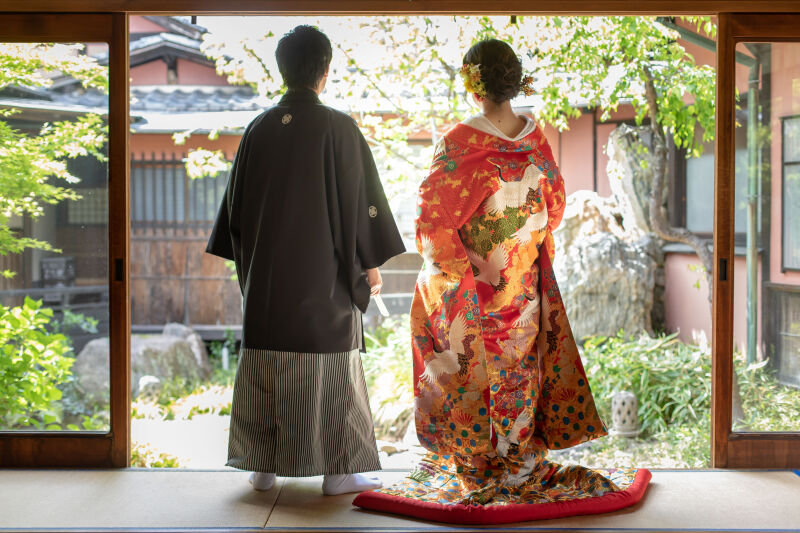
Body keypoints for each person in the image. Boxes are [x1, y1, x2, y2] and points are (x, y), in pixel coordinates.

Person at [354, 39, 649, 521]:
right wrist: (517, 245)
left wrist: (452, 278)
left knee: (470, 364)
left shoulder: (458, 144)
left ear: (473, 86)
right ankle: (519, 460)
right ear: (514, 82)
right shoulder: (536, 139)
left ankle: (479, 461)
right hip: (523, 283)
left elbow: (432, 222)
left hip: (474, 289)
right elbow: (553, 210)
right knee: (519, 368)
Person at [206, 25, 405, 496]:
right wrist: (370, 264)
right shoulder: (338, 127)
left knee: (267, 366)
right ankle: (338, 473)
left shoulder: (257, 129)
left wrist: (254, 270)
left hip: (268, 289)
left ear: (283, 71)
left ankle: (262, 467)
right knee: (334, 369)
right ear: (325, 71)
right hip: (324, 283)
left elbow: (234, 215)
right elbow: (361, 203)